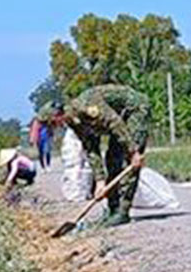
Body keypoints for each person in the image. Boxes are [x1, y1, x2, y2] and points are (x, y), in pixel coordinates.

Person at [63, 84, 150, 228]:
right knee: (111, 159)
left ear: (61, 115)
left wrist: (134, 152)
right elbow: (91, 149)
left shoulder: (86, 108)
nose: (56, 126)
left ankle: (122, 211)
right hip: (120, 119)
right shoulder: (73, 122)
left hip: (135, 110)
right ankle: (112, 209)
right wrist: (100, 181)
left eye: (54, 122)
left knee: (127, 162)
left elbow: (114, 123)